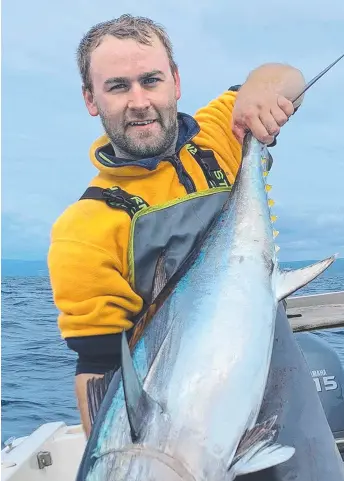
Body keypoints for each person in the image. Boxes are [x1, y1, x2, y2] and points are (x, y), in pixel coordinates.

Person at [48, 13, 306, 440]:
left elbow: (288, 80)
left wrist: (261, 86)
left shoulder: (222, 135)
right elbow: (98, 370)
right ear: (91, 99)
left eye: (151, 80)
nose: (139, 100)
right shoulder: (83, 230)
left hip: (283, 388)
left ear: (176, 82)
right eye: (117, 86)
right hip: (191, 425)